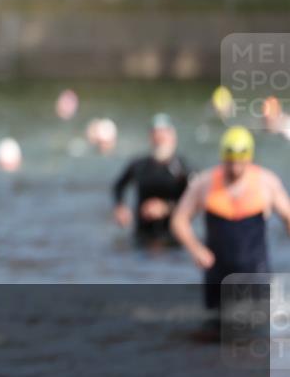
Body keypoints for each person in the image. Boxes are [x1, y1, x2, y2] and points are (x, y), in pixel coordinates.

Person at [171, 126, 290, 311]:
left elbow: (288, 216)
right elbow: (179, 220)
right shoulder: (204, 183)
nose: (234, 168)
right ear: (222, 158)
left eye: (239, 163)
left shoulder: (267, 183)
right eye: (230, 162)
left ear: (249, 158)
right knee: (213, 330)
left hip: (256, 272)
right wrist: (196, 249)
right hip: (217, 273)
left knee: (256, 330)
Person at [112, 113, 193, 248]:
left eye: (163, 133)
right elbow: (118, 186)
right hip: (141, 237)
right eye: (156, 133)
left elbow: (194, 201)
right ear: (150, 137)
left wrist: (166, 208)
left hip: (173, 240)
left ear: (172, 136)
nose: (159, 138)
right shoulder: (139, 165)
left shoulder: (182, 167)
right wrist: (120, 207)